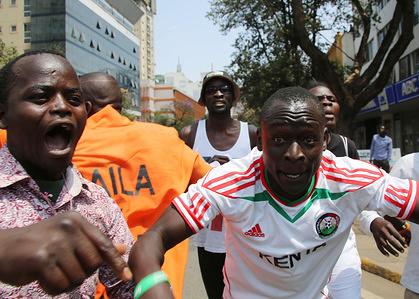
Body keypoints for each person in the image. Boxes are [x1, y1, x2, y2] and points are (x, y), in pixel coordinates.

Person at [129, 86, 418, 299]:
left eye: (308, 140)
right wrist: (153, 288)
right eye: (278, 139)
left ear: (325, 140)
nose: (294, 155)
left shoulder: (350, 177)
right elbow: (151, 241)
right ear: (260, 140)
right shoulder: (230, 182)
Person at [0, 50, 136, 297]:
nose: (62, 107)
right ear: (3, 113)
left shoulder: (98, 201)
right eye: (41, 97)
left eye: (73, 99)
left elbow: (127, 283)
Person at [72, 72, 212, 299]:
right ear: (119, 104)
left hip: (97, 285)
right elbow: (216, 185)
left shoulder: (66, 146)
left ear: (85, 106)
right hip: (157, 282)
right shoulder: (166, 139)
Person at [179, 70, 257, 299]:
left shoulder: (251, 134)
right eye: (211, 90)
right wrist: (205, 172)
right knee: (216, 294)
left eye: (224, 89)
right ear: (204, 98)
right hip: (207, 236)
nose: (218, 94)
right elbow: (179, 183)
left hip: (246, 233)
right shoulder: (190, 134)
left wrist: (231, 171)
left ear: (233, 97)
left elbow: (263, 179)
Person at [308, 82, 362, 298]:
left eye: (332, 100)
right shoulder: (290, 150)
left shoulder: (347, 147)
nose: (327, 104)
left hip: (341, 245)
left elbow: (362, 194)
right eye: (320, 101)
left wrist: (374, 220)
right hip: (304, 249)